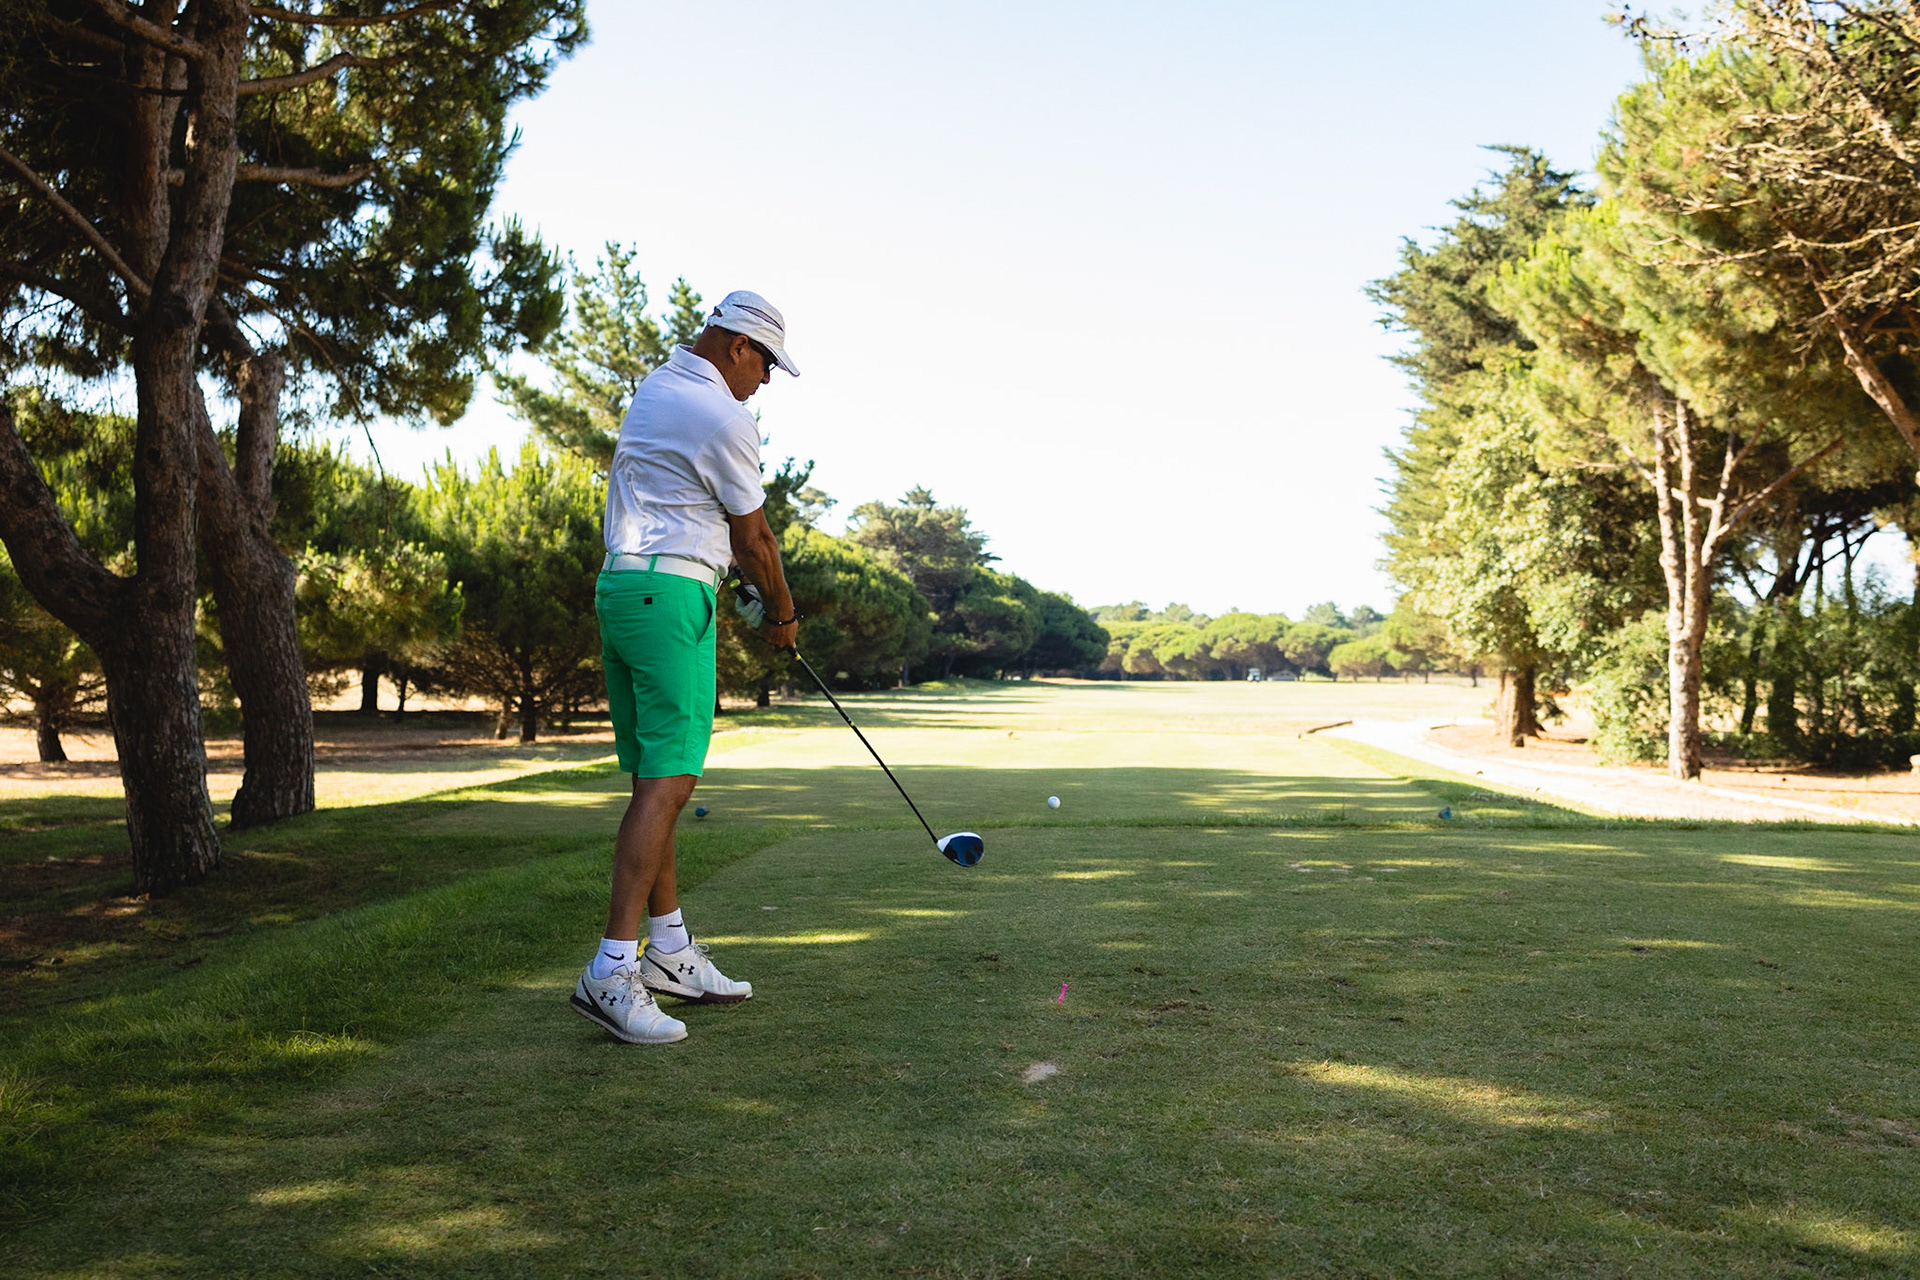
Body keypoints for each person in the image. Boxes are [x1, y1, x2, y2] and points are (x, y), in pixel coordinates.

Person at [570, 290, 800, 1045]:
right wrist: (784, 615)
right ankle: (611, 969)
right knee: (670, 781)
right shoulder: (723, 415)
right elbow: (754, 538)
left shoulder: (658, 385)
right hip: (671, 597)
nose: (765, 380)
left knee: (653, 780)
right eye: (766, 364)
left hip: (623, 589)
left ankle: (668, 950)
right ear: (738, 346)